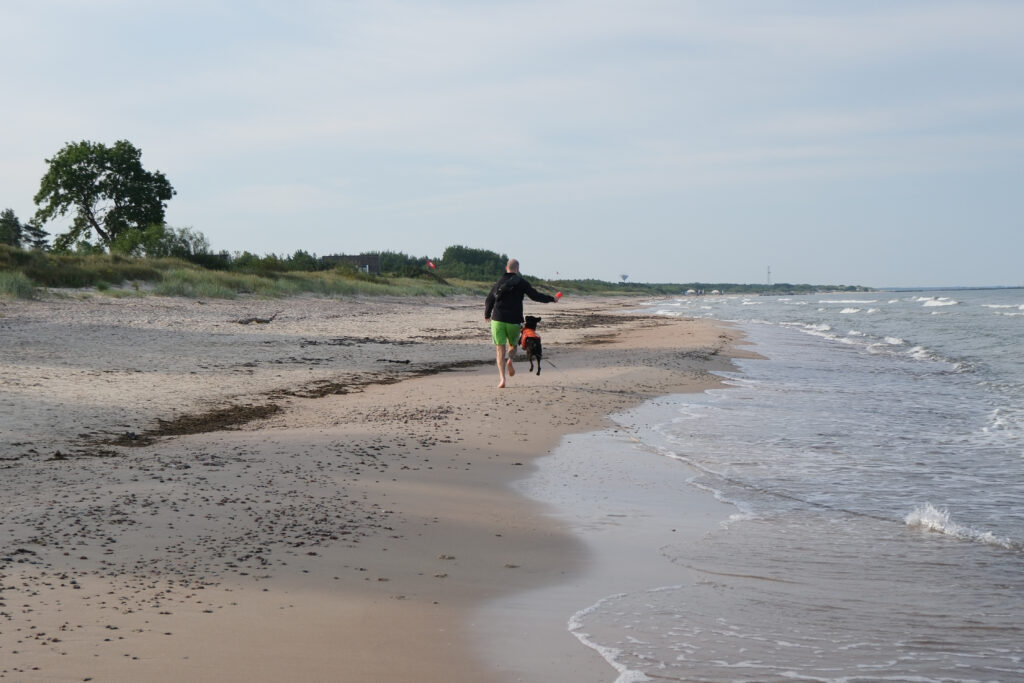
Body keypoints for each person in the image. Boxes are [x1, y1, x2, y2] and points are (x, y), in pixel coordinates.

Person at [484, 258, 557, 388]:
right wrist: (552, 298)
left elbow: (489, 299)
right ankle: (510, 360)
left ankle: (502, 379)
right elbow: (535, 296)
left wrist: (487, 314)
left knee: (500, 349)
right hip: (514, 321)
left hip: (498, 320)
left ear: (506, 268)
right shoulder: (522, 282)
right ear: (517, 269)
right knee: (512, 346)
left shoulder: (499, 282)